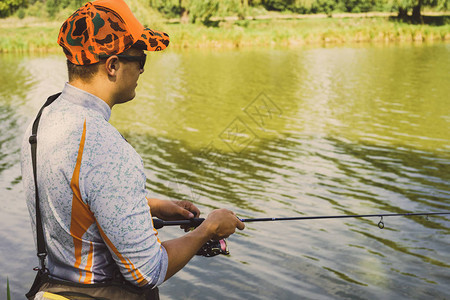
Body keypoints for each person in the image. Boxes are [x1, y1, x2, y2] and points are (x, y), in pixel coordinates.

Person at [20, 0, 244, 299]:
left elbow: (70, 193)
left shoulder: (41, 121)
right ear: (112, 65)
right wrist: (208, 229)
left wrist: (149, 204)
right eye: (140, 60)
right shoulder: (106, 148)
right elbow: (146, 272)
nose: (141, 70)